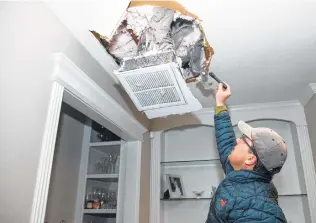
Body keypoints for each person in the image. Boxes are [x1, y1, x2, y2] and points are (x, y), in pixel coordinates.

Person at [205, 83, 288, 223]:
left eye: (243, 140)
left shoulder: (256, 206)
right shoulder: (239, 175)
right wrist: (220, 103)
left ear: (250, 159)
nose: (237, 140)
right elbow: (225, 142)